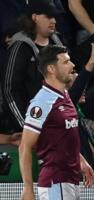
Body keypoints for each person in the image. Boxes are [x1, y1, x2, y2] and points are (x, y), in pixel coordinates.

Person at [19, 45, 94, 200]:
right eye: (66, 62)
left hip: (69, 179)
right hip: (55, 181)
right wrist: (28, 187)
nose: (72, 66)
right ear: (51, 69)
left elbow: (64, 137)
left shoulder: (63, 95)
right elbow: (25, 146)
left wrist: (81, 161)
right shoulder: (42, 102)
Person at [1, 0, 63, 132]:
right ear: (34, 17)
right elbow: (10, 90)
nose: (54, 21)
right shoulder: (20, 47)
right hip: (33, 121)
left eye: (54, 17)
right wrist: (27, 127)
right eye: (48, 16)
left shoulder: (57, 41)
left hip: (59, 119)